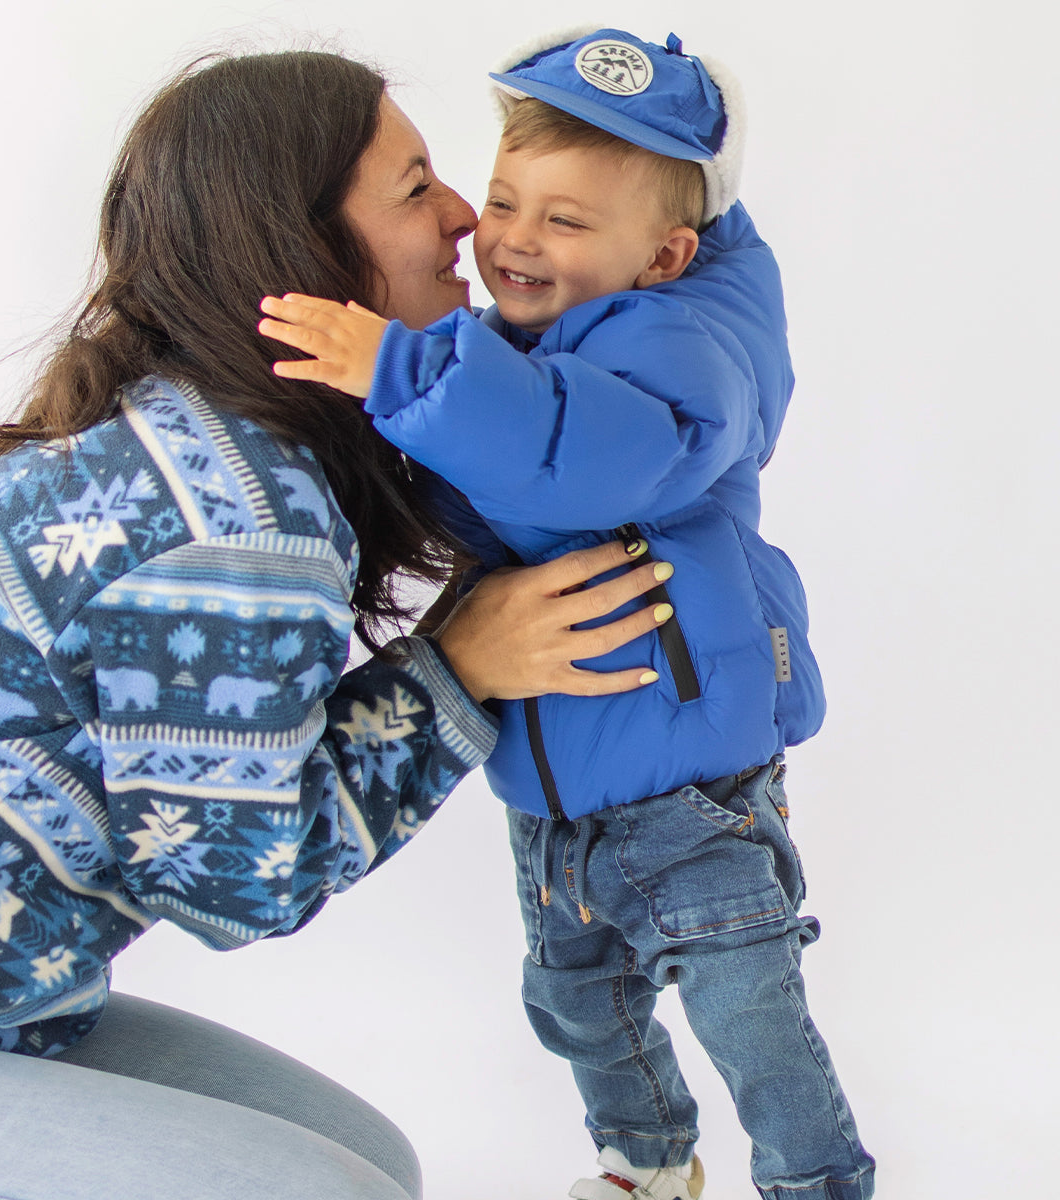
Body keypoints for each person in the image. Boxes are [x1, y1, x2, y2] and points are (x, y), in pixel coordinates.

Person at [0, 49, 673, 1200]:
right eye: (412, 189)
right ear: (299, 252)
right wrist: (458, 671)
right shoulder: (238, 522)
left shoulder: (206, 430)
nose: (460, 216)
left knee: (374, 1162)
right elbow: (235, 880)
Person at [257, 29, 874, 1200]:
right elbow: (477, 479)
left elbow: (584, 460)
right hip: (559, 789)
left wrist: (397, 374)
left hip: (691, 784)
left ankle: (820, 1180)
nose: (510, 241)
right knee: (579, 1003)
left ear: (666, 254)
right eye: (502, 202)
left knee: (750, 1014)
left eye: (567, 222)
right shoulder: (514, 346)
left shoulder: (681, 349)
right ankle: (647, 1168)